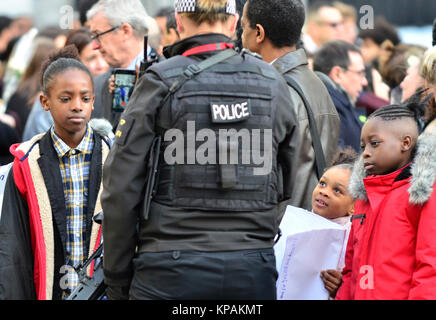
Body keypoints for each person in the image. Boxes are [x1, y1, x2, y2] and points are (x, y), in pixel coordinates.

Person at [101, 0, 300, 300]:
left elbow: (120, 188)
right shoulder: (273, 83)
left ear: (179, 22)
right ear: (234, 23)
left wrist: (117, 278)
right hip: (250, 270)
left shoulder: (159, 82)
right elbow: (288, 179)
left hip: (167, 272)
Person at [0, 46, 113, 300]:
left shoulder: (113, 157)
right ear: (45, 101)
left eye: (85, 98)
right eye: (65, 98)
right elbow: (12, 246)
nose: (77, 106)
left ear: (94, 102)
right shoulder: (27, 163)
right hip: (47, 290)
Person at [241, 0, 339, 211]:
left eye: (243, 27)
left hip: (281, 231)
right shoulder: (317, 84)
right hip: (306, 225)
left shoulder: (273, 91)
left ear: (259, 33)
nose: (240, 36)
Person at [336, 100, 436, 300]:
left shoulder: (422, 193)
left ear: (405, 143)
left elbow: (429, 267)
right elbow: (350, 268)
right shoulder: (364, 196)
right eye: (363, 145)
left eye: (374, 143)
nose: (365, 152)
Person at [86, 0, 155, 128]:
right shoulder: (97, 86)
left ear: (125, 31)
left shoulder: (168, 78)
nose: (95, 46)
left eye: (98, 35)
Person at [312, 147, 357, 298]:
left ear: (354, 206)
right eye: (322, 183)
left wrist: (340, 286)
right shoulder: (299, 222)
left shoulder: (353, 239)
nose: (324, 192)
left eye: (337, 190)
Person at [313, 40, 368, 153]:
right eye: (360, 73)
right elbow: (338, 161)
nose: (365, 82)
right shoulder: (330, 106)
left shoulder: (331, 100)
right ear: (337, 74)